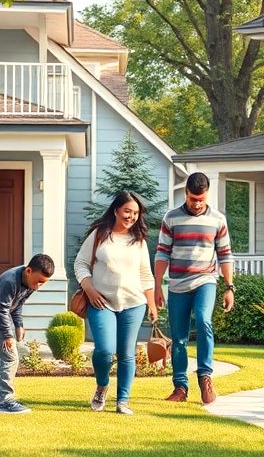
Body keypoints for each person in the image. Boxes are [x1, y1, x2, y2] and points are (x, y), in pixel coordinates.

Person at [154, 172, 234, 405]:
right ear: (186, 194)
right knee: (178, 338)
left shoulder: (218, 219)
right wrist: (157, 285)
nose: (197, 204)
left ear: (207, 194)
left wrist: (229, 287)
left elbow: (225, 254)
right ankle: (180, 387)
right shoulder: (171, 218)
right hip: (177, 284)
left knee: (203, 320)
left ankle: (205, 376)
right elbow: (162, 252)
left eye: (201, 199)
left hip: (205, 280)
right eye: (192, 199)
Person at [74, 191, 157, 415]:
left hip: (134, 303)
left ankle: (123, 400)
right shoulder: (100, 234)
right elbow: (81, 263)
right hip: (101, 302)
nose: (131, 216)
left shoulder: (138, 240)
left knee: (127, 353)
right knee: (104, 350)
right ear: (116, 210)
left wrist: (152, 304)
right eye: (127, 211)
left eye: (136, 213)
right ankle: (102, 386)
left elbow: (146, 274)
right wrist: (89, 289)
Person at [0, 253, 55, 414]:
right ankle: (6, 401)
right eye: (38, 281)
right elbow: (2, 308)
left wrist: (18, 325)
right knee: (10, 356)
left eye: (43, 283)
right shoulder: (10, 281)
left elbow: (17, 304)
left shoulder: (30, 283)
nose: (39, 286)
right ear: (28, 271)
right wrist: (8, 335)